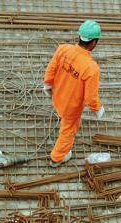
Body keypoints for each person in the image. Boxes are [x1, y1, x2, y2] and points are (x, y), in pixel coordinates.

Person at [44, 20, 104, 168]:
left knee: (65, 123)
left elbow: (51, 69)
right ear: (93, 43)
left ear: (79, 37)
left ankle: (59, 153)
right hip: (71, 107)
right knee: (68, 131)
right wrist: (97, 109)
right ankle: (57, 157)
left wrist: (48, 84)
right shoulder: (91, 68)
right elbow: (90, 98)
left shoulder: (63, 49)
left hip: (57, 96)